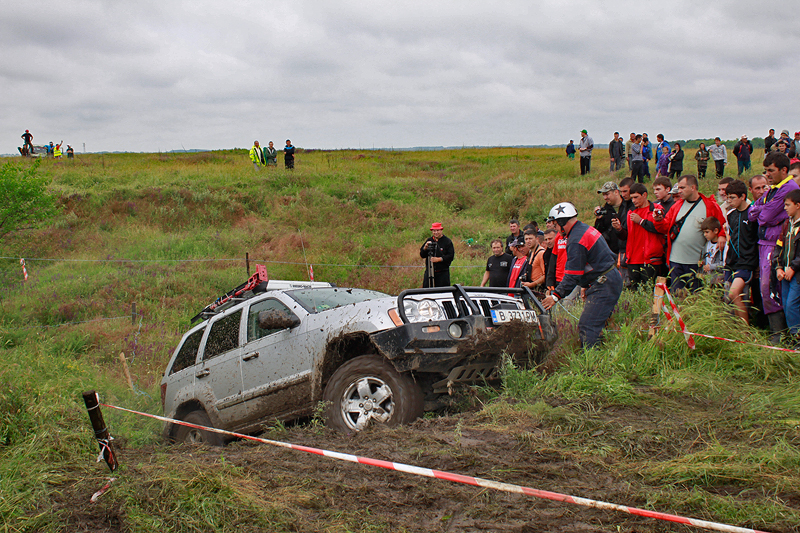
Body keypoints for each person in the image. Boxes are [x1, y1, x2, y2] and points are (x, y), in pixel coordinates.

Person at [541, 202, 622, 348]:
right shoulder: (584, 229)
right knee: (597, 324)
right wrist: (586, 284)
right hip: (606, 278)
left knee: (588, 325)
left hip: (605, 283)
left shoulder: (576, 240)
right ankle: (606, 355)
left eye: (555, 225)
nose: (555, 229)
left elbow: (573, 275)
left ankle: (592, 363)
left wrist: (555, 296)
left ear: (562, 222)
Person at [749, 152, 800, 342]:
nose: (767, 174)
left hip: (776, 244)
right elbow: (753, 213)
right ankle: (777, 333)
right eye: (766, 170)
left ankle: (782, 335)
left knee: (771, 287)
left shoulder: (788, 188)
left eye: (771, 170)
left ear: (784, 170)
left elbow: (765, 217)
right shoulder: (773, 189)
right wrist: (764, 209)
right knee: (767, 288)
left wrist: (765, 211)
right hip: (764, 242)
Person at [653, 175, 727, 292]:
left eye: (682, 187)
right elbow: (665, 227)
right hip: (675, 261)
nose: (679, 190)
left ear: (693, 187)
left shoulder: (709, 205)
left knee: (696, 297)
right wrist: (658, 221)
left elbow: (721, 225)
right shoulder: (677, 206)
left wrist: (722, 236)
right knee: (678, 295)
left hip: (696, 263)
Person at [724, 180, 758, 325]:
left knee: (734, 293)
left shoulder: (752, 213)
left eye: (732, 197)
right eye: (727, 197)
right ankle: (735, 326)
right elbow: (731, 238)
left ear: (743, 196)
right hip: (731, 262)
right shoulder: (730, 214)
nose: (729, 201)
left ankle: (745, 328)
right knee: (728, 297)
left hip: (747, 262)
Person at [619, 183, 665, 290]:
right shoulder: (631, 212)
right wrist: (618, 229)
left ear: (644, 195)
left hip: (650, 259)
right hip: (633, 259)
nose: (633, 201)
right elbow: (627, 235)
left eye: (636, 197)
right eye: (632, 198)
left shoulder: (656, 209)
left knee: (649, 290)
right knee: (635, 291)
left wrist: (641, 221)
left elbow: (660, 229)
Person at [775, 189, 800, 342]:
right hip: (784, 272)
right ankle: (793, 336)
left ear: (798, 205)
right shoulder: (787, 224)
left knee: (792, 305)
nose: (785, 208)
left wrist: (794, 267)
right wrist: (777, 267)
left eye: (787, 205)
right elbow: (778, 247)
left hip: (796, 273)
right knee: (786, 304)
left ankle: (797, 339)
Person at [420, 222, 455, 288]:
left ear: (441, 230)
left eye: (438, 230)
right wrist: (425, 248)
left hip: (442, 273)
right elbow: (422, 255)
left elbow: (450, 256)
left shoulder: (447, 241)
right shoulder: (429, 240)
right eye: (434, 231)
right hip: (429, 272)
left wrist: (439, 259)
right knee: (427, 292)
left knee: (443, 293)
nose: (436, 232)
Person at [594, 181, 624, 255]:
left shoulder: (628, 206)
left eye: (607, 194)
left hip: (627, 249)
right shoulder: (605, 210)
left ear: (616, 192)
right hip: (611, 252)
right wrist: (599, 219)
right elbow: (598, 232)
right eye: (603, 195)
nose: (605, 198)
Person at [700, 217, 724, 286]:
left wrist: (711, 267)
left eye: (707, 232)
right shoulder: (706, 245)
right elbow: (707, 257)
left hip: (719, 280)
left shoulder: (721, 245)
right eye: (704, 232)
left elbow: (724, 264)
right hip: (708, 279)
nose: (705, 235)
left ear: (716, 231)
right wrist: (703, 262)